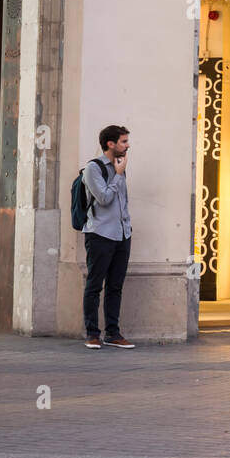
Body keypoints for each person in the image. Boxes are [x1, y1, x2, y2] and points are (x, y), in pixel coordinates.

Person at [82, 125, 135, 350]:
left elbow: (123, 201)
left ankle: (113, 333)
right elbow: (103, 198)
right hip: (100, 234)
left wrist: (127, 227)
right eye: (123, 141)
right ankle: (92, 334)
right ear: (110, 144)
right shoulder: (93, 168)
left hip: (123, 234)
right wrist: (118, 175)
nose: (127, 145)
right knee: (95, 285)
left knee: (116, 286)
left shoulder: (120, 166)